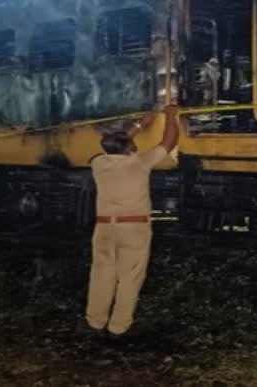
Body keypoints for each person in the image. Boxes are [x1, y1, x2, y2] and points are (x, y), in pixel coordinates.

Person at [85, 103, 180, 337]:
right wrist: (171, 116)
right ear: (130, 149)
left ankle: (95, 322)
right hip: (133, 229)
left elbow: (117, 144)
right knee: (129, 277)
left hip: (105, 228)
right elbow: (168, 142)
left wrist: (139, 126)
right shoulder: (139, 163)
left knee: (101, 274)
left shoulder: (98, 164)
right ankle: (118, 327)